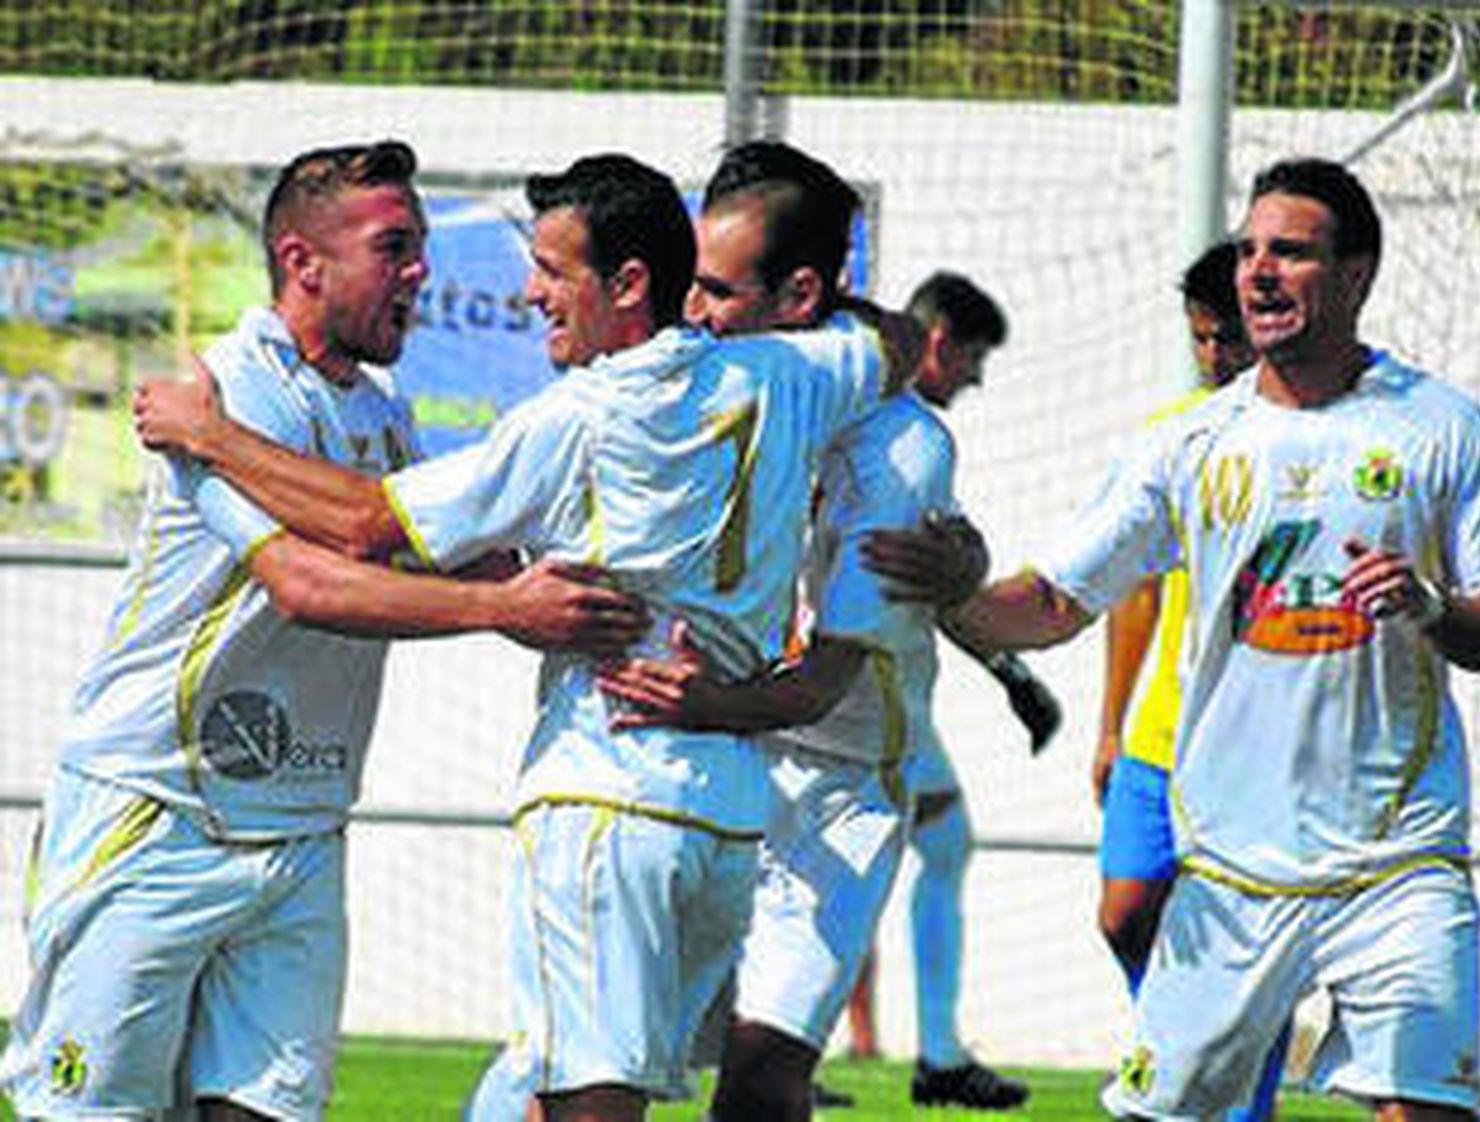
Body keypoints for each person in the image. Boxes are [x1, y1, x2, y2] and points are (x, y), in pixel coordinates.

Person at [130, 150, 922, 1122]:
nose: (531, 294)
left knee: (587, 1101)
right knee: (553, 1089)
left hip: (602, 793)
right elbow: (899, 339)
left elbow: (368, 525)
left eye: (552, 271)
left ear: (628, 285)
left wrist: (209, 437)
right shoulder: (792, 372)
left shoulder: (579, 417)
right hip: (726, 813)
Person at [0, 141, 648, 1122]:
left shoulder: (377, 411)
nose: (419, 271)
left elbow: (450, 552)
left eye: (421, 246)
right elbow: (311, 578)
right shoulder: (226, 391)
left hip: (300, 829)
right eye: (393, 247)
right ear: (303, 262)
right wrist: (503, 609)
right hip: (157, 811)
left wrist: (623, 579)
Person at [885, 157, 1480, 1120]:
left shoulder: (1442, 427)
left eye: (1292, 252)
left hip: (1400, 862)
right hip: (1233, 871)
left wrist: (1433, 606)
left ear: (1357, 275)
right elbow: (1056, 602)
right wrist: (956, 595)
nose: (1259, 272)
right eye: (1249, 251)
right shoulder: (1190, 442)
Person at [1093, 241, 1288, 1122]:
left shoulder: (1303, 443)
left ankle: (1236, 1092)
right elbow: (1133, 588)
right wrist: (1110, 724)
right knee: (1124, 913)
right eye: (1200, 338)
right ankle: (1187, 1058)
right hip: (1159, 734)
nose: (1214, 356)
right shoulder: (1171, 436)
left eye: (1227, 339)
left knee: (1249, 943)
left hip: (1254, 748)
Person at [840, 274, 1032, 1112]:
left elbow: (937, 580)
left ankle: (933, 1056)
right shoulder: (898, 433)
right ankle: (781, 1046)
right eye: (975, 358)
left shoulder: (884, 425)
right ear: (941, 340)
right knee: (826, 868)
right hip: (854, 683)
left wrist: (1010, 673)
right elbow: (923, 577)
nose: (978, 378)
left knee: (932, 845)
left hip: (878, 683)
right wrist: (1013, 671)